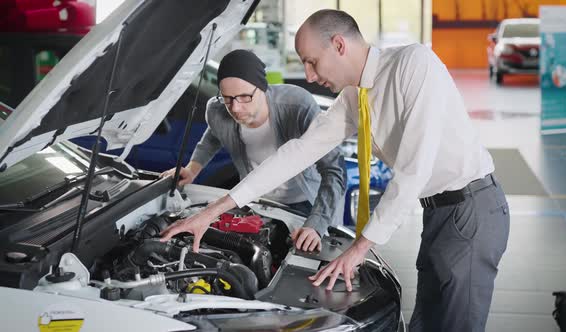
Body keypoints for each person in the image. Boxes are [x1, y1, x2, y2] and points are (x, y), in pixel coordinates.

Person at [161, 10, 510, 332]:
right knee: (426, 324)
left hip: (470, 209)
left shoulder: (413, 65)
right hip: (439, 214)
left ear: (339, 45)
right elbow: (295, 154)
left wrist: (359, 248)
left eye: (312, 63)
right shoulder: (353, 99)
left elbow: (413, 169)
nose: (310, 76)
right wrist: (215, 210)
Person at [161, 49, 346, 252]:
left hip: (303, 203)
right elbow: (213, 136)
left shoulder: (297, 106)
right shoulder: (217, 110)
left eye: (244, 97)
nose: (236, 108)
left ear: (263, 87)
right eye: (228, 98)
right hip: (253, 200)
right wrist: (192, 169)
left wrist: (316, 225)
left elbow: (334, 170)